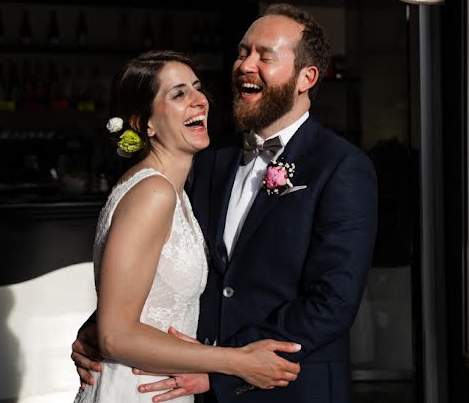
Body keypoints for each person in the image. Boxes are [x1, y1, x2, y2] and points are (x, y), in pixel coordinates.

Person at [73, 6, 378, 403]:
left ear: (307, 77)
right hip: (179, 383)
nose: (245, 65)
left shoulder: (342, 167)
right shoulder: (212, 160)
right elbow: (156, 273)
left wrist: (219, 370)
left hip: (287, 389)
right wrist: (100, 331)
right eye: (242, 52)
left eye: (264, 56)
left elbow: (331, 303)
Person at [74, 51, 302, 403]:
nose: (199, 100)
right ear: (144, 123)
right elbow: (116, 336)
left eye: (197, 88)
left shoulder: (174, 191)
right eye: (178, 94)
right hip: (137, 389)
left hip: (161, 386)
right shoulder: (153, 192)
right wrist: (236, 361)